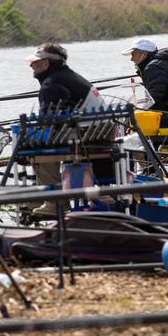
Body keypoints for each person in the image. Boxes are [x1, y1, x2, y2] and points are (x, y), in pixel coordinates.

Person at [23, 43, 102, 215]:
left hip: (87, 135)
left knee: (37, 148)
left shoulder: (52, 84)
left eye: (35, 62)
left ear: (46, 64)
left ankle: (56, 202)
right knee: (39, 139)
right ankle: (40, 199)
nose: (31, 66)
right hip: (98, 132)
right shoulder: (67, 76)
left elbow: (49, 121)